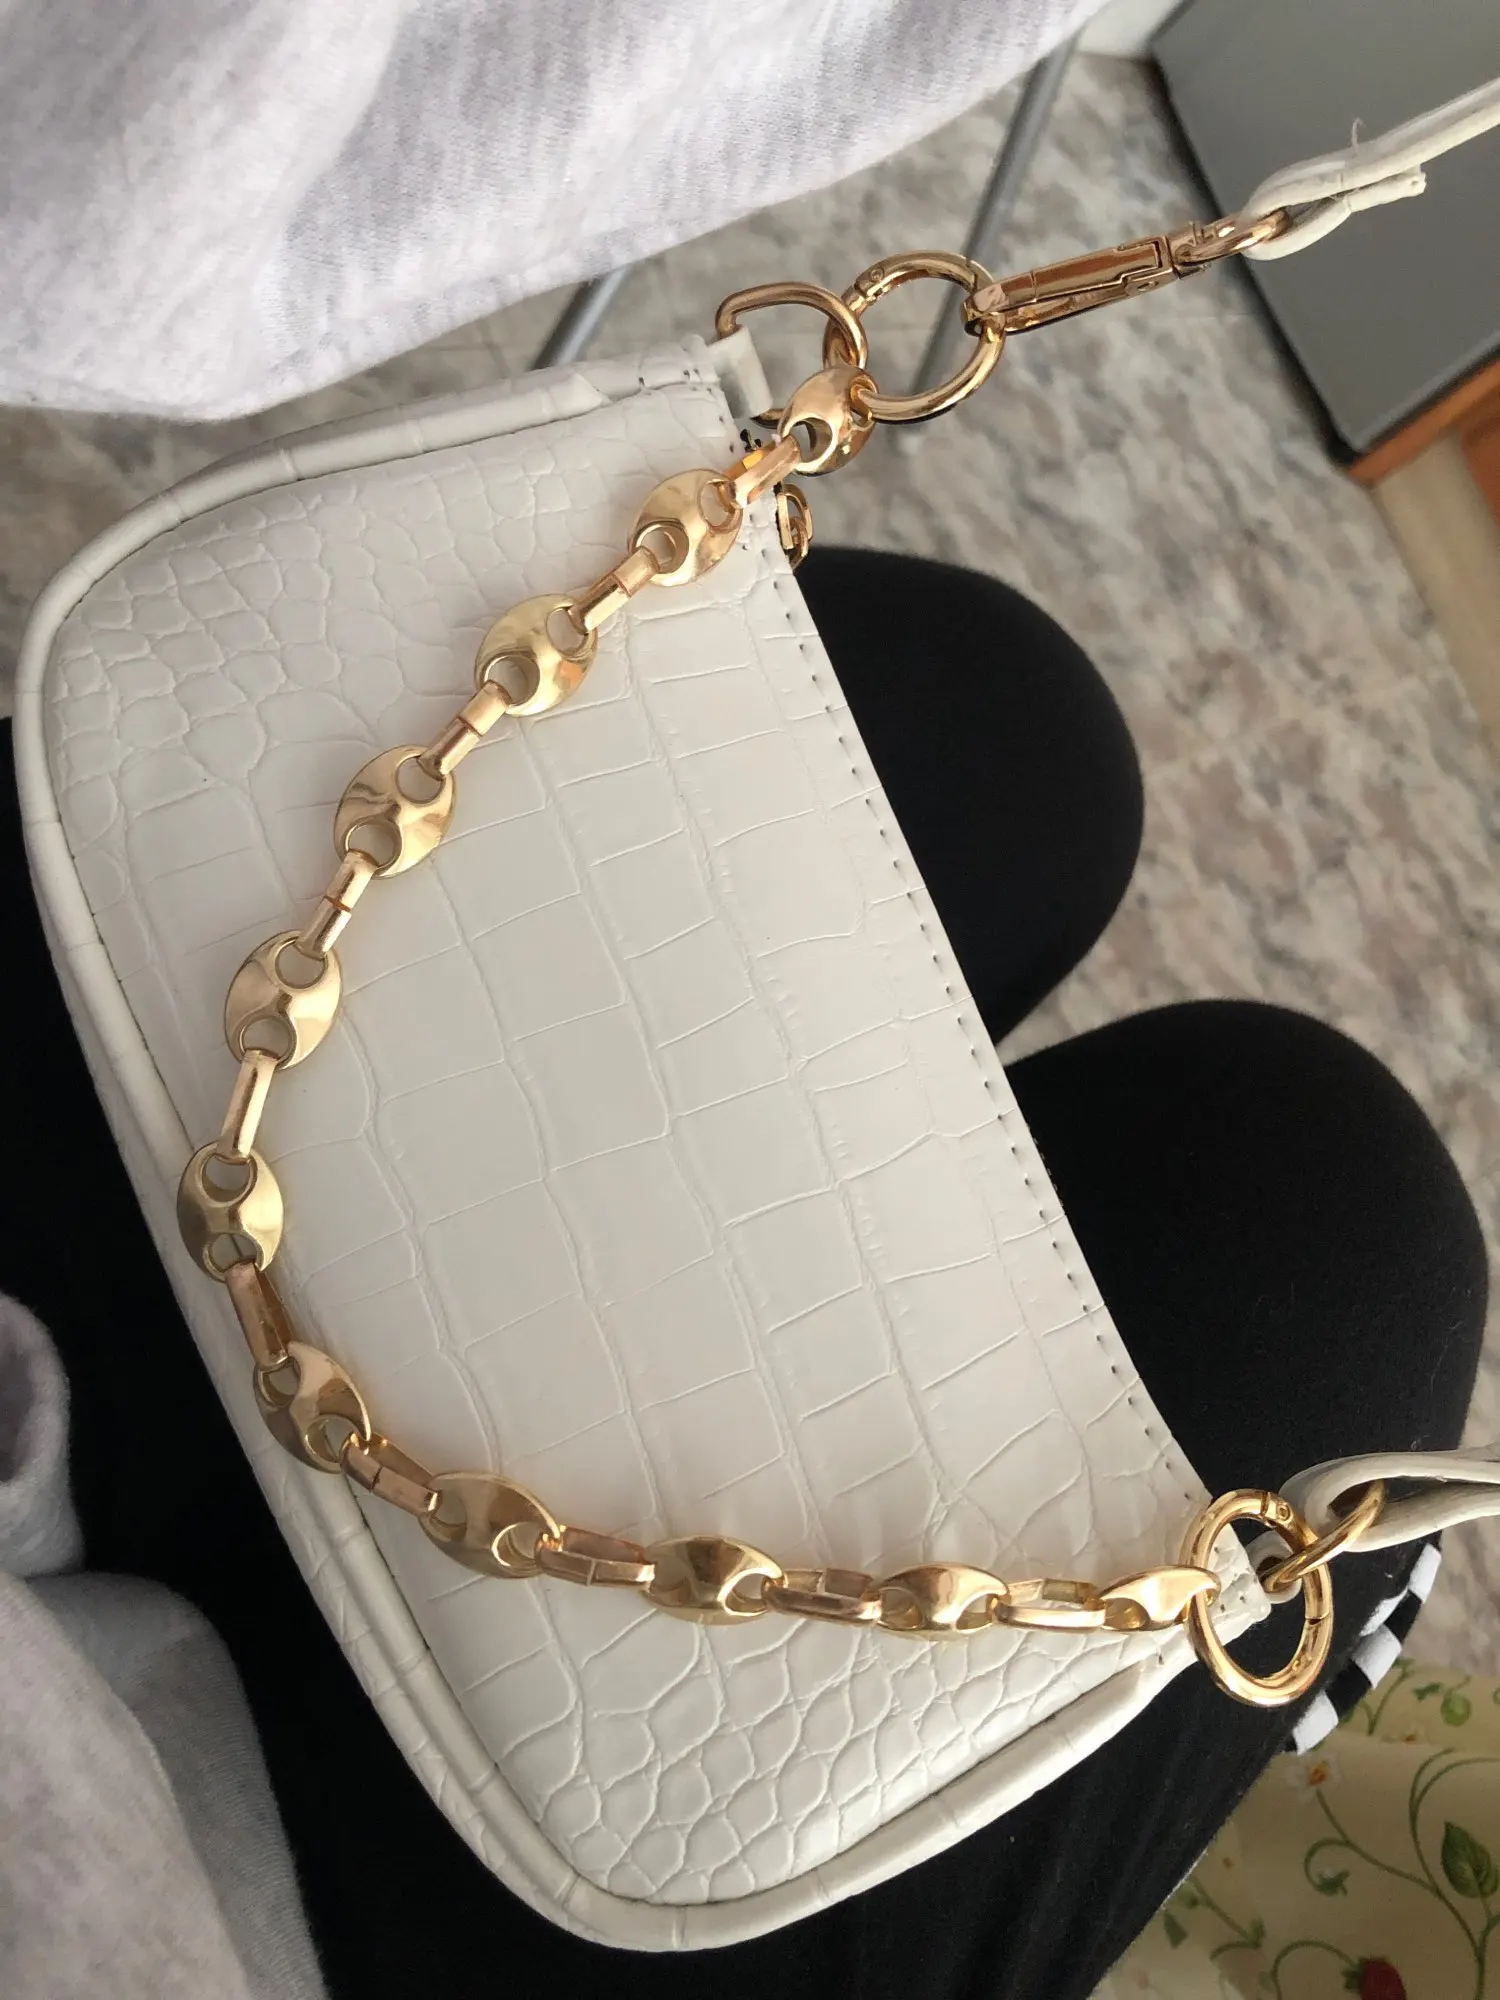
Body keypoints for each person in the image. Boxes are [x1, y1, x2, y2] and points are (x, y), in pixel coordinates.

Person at [0, 546, 1484, 1999]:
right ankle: (1290, 1660)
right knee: (1338, 1223)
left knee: (999, 721)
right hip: (290, 1909)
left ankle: (1289, 1646)